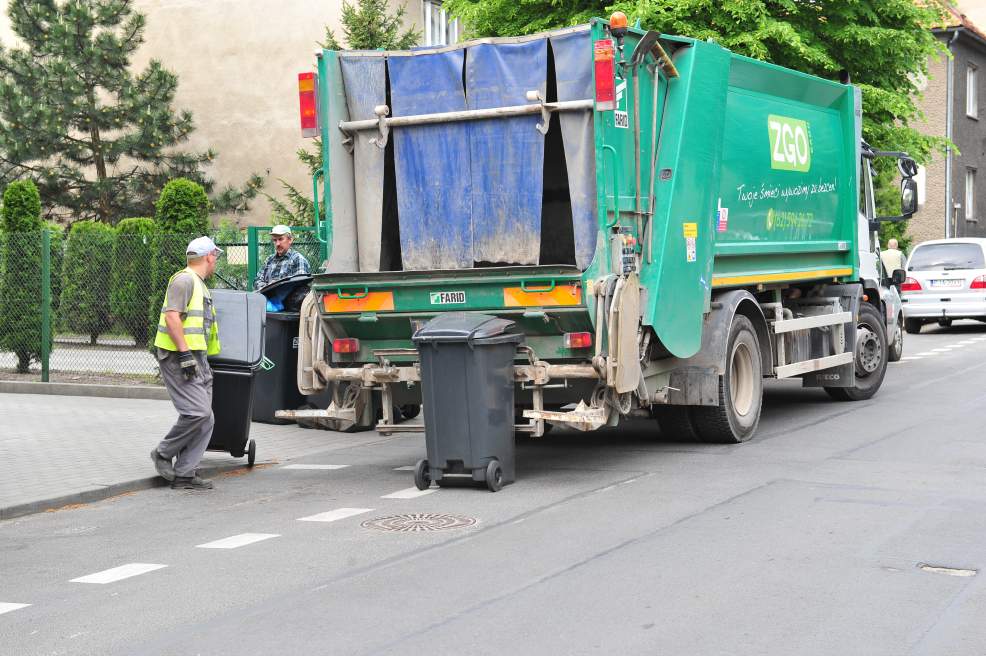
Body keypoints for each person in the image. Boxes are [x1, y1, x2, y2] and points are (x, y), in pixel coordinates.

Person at [150, 236, 223, 490]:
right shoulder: (184, 280)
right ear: (209, 256)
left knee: (207, 418)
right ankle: (162, 452)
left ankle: (184, 474)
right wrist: (184, 355)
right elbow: (172, 318)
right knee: (198, 412)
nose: (216, 262)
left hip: (196, 356)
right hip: (180, 356)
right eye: (216, 256)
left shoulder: (199, 283)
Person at [254, 224, 311, 290]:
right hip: (268, 298)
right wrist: (268, 287)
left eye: (280, 239)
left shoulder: (298, 259)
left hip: (290, 300)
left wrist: (277, 286)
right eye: (275, 240)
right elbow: (257, 281)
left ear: (290, 240)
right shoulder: (269, 260)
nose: (277, 244)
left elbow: (300, 285)